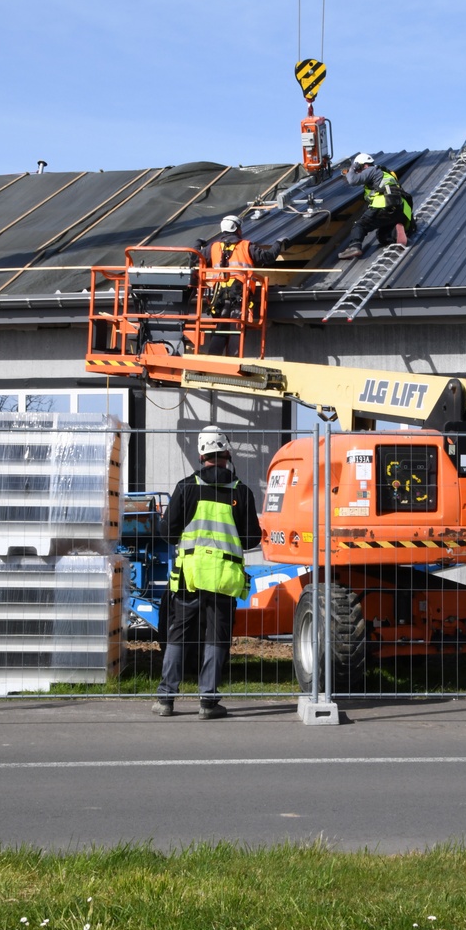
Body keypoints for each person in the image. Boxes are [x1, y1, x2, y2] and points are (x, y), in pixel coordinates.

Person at [152, 425, 262, 719]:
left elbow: (166, 531)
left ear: (201, 455)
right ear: (227, 453)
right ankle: (208, 703)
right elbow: (252, 539)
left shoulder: (187, 487)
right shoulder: (241, 492)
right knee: (216, 639)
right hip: (224, 579)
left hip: (190, 576)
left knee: (177, 636)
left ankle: (166, 699)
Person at [198, 214, 289, 354]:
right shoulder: (246, 246)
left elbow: (194, 258)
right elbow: (268, 257)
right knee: (236, 327)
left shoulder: (213, 247)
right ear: (237, 229)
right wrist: (278, 243)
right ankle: (234, 359)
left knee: (221, 327)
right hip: (240, 295)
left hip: (219, 296)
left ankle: (213, 357)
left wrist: (198, 244)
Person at [337, 155, 414, 260]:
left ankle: (354, 247)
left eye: (358, 168)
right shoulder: (386, 173)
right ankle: (395, 232)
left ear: (363, 166)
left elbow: (352, 180)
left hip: (384, 204)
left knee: (359, 225)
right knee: (382, 236)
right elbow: (352, 179)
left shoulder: (371, 170)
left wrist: (352, 168)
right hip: (400, 210)